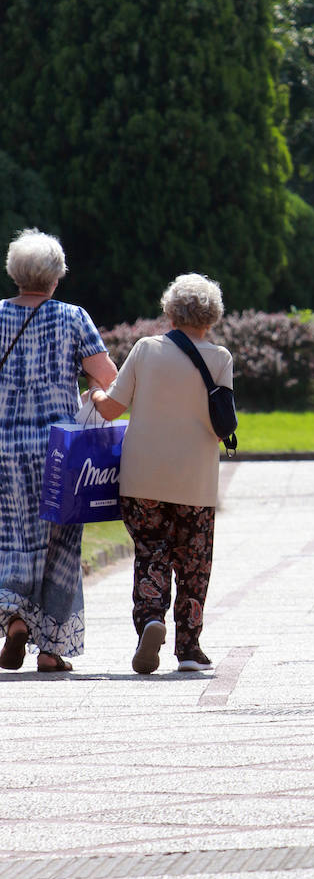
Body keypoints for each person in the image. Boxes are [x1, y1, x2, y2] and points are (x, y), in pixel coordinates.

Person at [91, 273, 232, 675]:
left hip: (142, 477)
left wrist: (95, 391)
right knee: (194, 561)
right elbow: (220, 423)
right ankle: (189, 647)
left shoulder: (146, 349)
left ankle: (151, 619)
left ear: (170, 310)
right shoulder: (220, 358)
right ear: (212, 316)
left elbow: (111, 409)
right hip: (195, 480)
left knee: (151, 551)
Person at [0, 229, 118, 674]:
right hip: (58, 453)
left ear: (15, 274)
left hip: (4, 448)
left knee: (11, 538)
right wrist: (92, 388)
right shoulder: (72, 318)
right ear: (55, 277)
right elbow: (110, 379)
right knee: (62, 546)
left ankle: (13, 619)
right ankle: (51, 649)